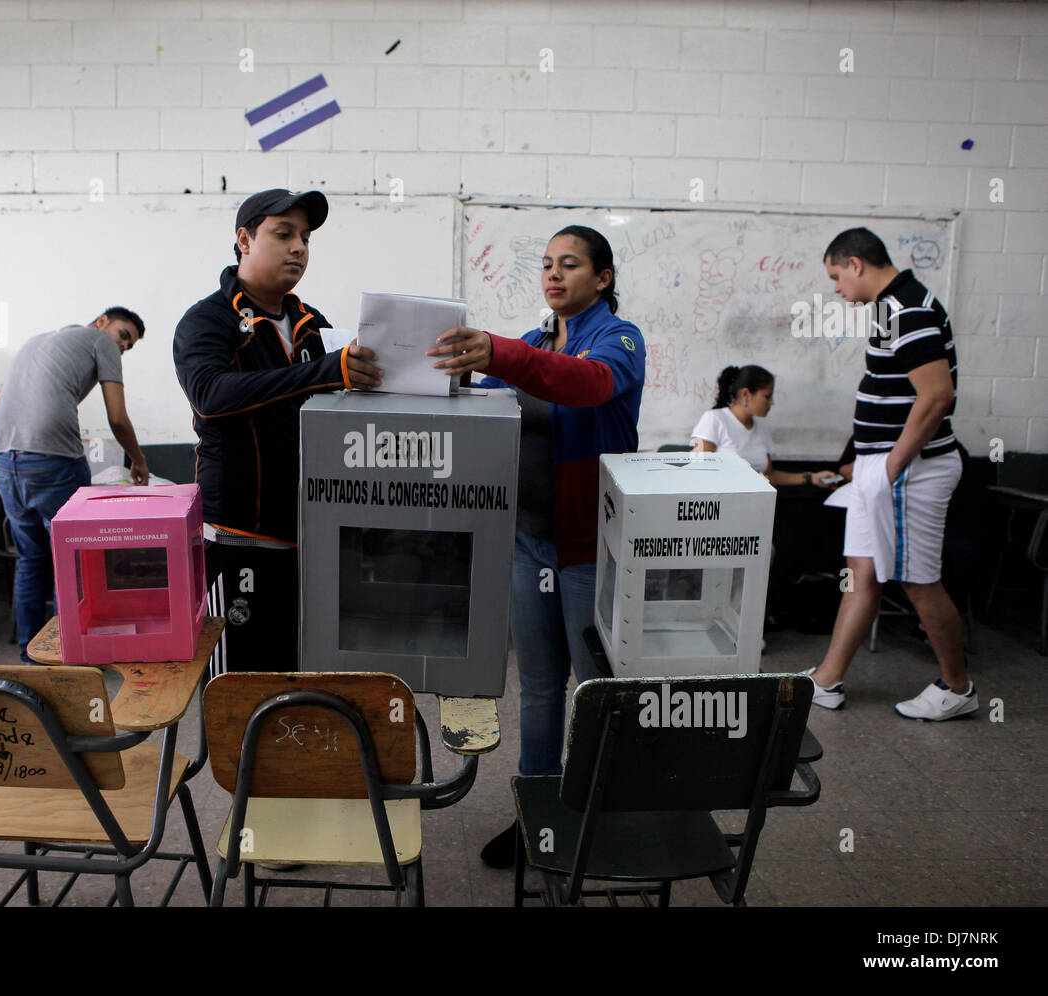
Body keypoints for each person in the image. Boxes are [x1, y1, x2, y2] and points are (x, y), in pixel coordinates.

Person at [427, 225, 645, 868]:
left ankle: (597, 813)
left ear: (601, 279)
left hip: (586, 547)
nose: (554, 275)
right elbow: (487, 402)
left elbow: (585, 385)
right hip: (529, 543)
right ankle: (537, 818)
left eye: (570, 265)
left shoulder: (618, 339)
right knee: (541, 688)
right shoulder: (529, 343)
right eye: (547, 265)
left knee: (593, 688)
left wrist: (496, 354)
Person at [173, 188, 382, 675]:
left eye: (305, 238)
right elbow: (212, 394)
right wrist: (326, 372)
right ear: (244, 240)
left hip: (310, 538)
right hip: (238, 537)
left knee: (301, 680)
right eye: (283, 234)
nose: (299, 248)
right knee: (238, 692)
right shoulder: (208, 320)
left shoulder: (315, 328)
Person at [805, 226, 973, 721]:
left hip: (910, 472)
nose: (836, 288)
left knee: (919, 581)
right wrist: (872, 461)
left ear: (856, 264)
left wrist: (893, 465)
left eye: (837, 276)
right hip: (883, 469)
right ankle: (827, 680)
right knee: (861, 573)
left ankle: (957, 687)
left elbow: (937, 395)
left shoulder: (906, 309)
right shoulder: (893, 306)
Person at [0, 309, 149, 663]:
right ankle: (71, 657)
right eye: (123, 336)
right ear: (102, 320)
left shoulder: (35, 342)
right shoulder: (99, 341)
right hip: (53, 461)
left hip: (8, 463)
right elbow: (117, 417)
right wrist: (138, 460)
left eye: (128, 346)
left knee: (29, 560)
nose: (122, 347)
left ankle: (31, 657)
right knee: (70, 559)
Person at [692, 364, 841, 487]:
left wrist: (811, 478)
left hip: (757, 509)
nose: (772, 402)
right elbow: (698, 469)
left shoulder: (761, 427)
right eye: (767, 396)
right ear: (746, 394)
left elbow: (770, 476)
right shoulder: (714, 419)